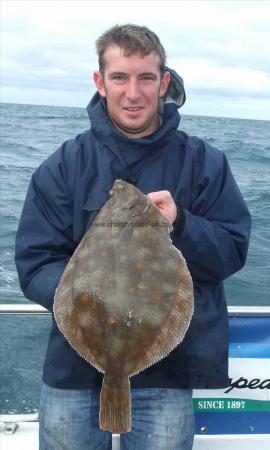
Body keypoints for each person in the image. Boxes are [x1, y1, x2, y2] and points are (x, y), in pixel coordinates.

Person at [15, 24, 251, 450]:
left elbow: (232, 251)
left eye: (146, 78)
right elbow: (34, 262)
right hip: (72, 371)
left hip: (167, 372)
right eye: (120, 77)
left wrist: (181, 222)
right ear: (100, 83)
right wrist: (88, 293)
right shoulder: (64, 165)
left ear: (163, 83)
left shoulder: (204, 163)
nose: (133, 92)